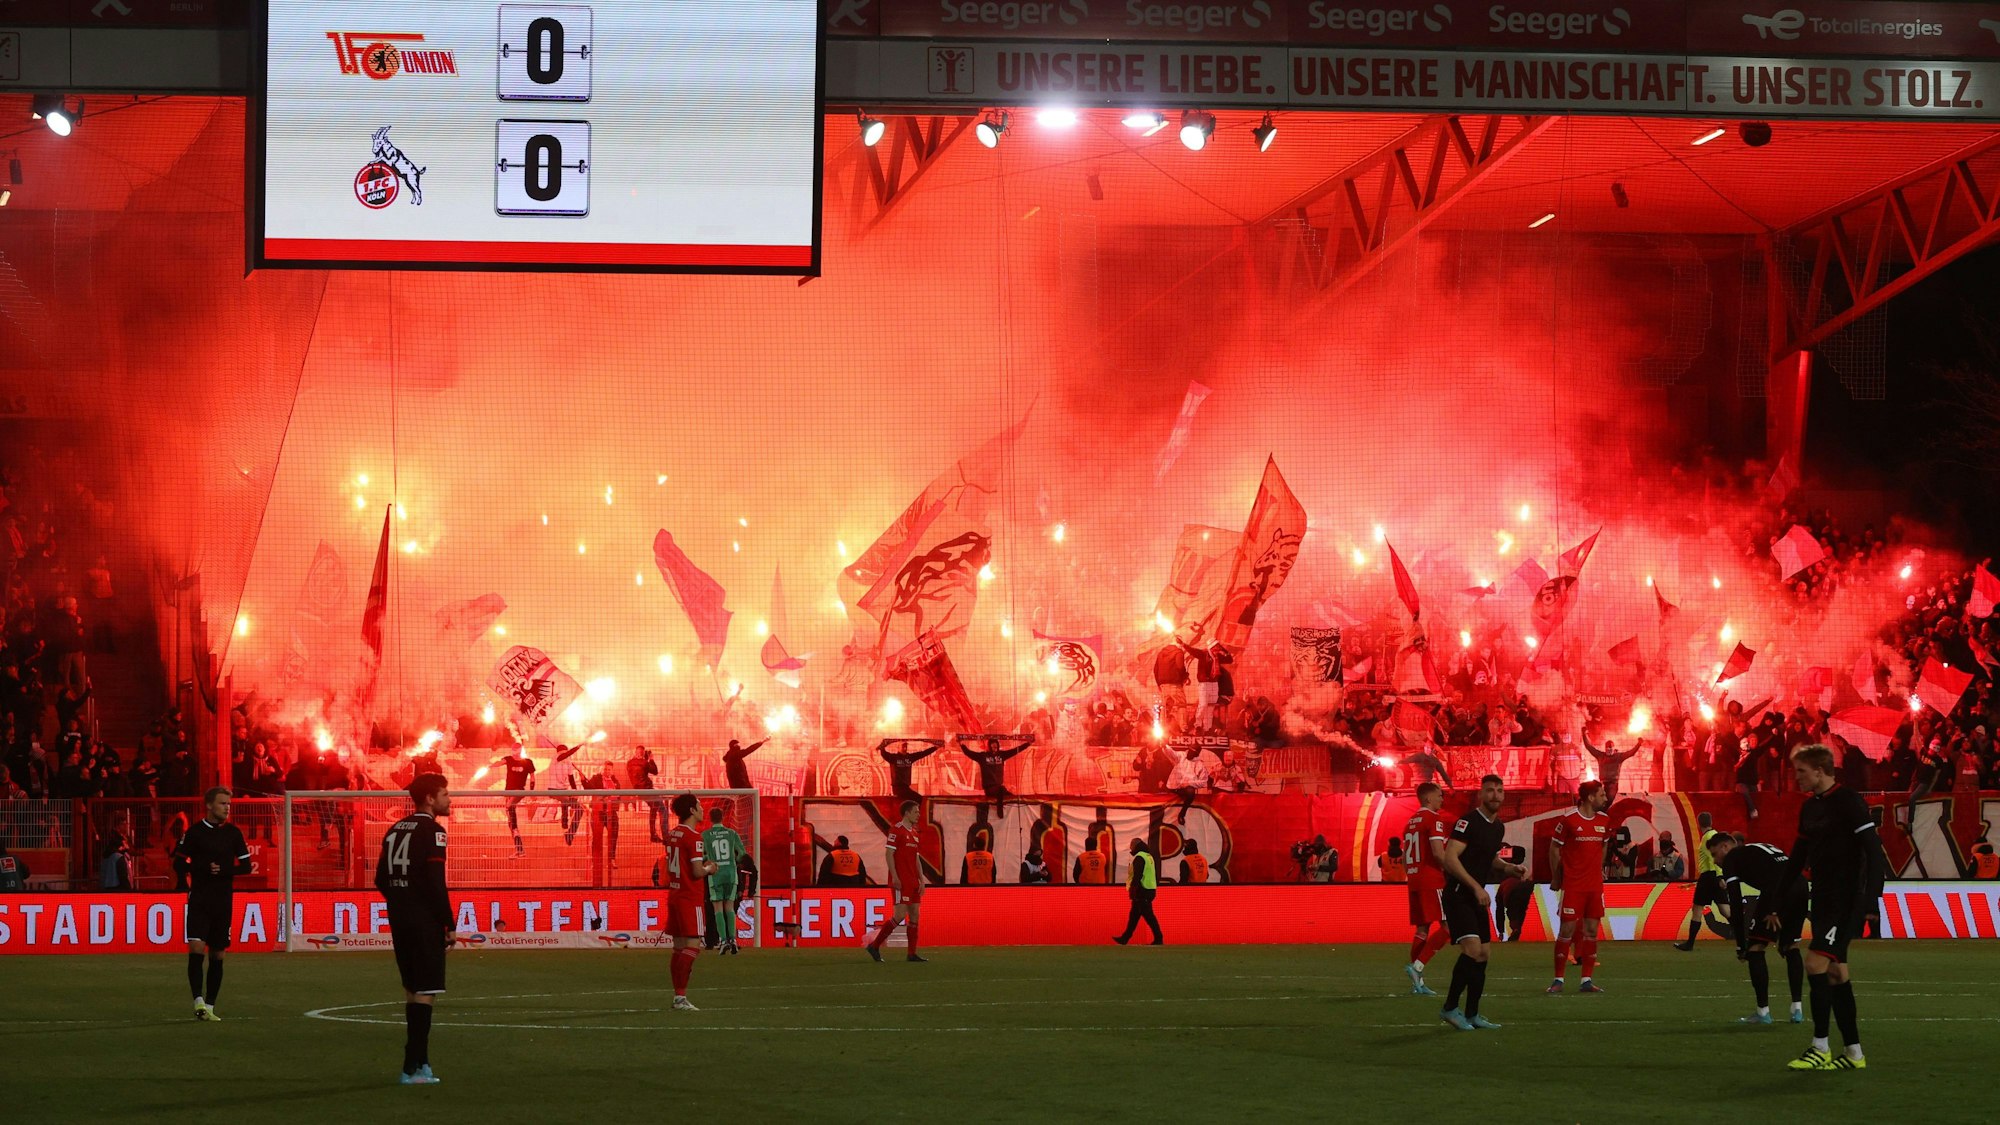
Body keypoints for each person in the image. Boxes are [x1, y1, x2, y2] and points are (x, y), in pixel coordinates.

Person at [1768, 744, 1889, 1071]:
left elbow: (1873, 852)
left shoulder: (1848, 801)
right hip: (1821, 898)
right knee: (1836, 972)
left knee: (1815, 962)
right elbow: (1797, 857)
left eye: (1801, 771)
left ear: (1820, 771)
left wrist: (1871, 899)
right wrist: (1777, 899)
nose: (1796, 778)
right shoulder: (1810, 808)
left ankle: (1820, 1047)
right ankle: (1854, 1054)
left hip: (1845, 900)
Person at [375, 774, 454, 1085]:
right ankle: (411, 1067)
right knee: (426, 991)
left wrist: (401, 900)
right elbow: (435, 882)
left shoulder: (395, 829)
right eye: (445, 794)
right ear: (430, 799)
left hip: (399, 917)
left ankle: (421, 1064)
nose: (449, 800)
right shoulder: (434, 831)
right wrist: (447, 922)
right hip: (424, 921)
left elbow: (381, 878)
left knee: (413, 989)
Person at [1438, 774, 1528, 1031]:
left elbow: (1490, 859)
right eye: (1490, 790)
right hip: (1459, 894)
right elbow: (1450, 858)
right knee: (1472, 949)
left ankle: (1472, 1014)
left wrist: (1509, 868)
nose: (1495, 795)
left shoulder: (1497, 827)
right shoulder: (1468, 822)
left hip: (1476, 896)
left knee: (1483, 954)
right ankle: (1449, 1008)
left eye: (1499, 790)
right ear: (1480, 794)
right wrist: (1476, 887)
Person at [1705, 833, 1806, 1026]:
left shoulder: (1732, 859)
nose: (1716, 861)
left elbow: (1735, 901)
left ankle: (1763, 1012)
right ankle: (1797, 1009)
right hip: (1801, 887)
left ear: (1726, 846)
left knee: (1755, 949)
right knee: (1791, 946)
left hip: (1777, 891)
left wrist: (1740, 945)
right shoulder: (1759, 847)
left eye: (1715, 854)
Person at [171, 787, 251, 1022]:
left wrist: (224, 870)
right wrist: (201, 868)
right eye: (222, 803)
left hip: (223, 902)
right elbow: (178, 864)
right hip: (200, 899)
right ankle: (198, 1000)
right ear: (209, 805)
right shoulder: (195, 832)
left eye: (228, 804)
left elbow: (246, 867)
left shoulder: (233, 834)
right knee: (196, 947)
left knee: (218, 954)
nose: (227, 808)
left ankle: (210, 1005)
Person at [1548, 781, 1612, 994]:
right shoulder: (1568, 820)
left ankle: (1586, 980)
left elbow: (1604, 844)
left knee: (1591, 931)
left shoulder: (1605, 820)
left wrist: (1598, 867)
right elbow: (1554, 848)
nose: (1605, 798)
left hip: (1594, 886)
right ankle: (1558, 979)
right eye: (1602, 795)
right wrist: (1556, 877)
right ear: (1590, 798)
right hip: (1573, 885)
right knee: (1566, 930)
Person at [663, 794, 718, 1008]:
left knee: (678, 947)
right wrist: (709, 868)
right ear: (692, 811)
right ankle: (681, 997)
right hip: (690, 897)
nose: (702, 810)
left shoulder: (672, 834)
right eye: (699, 806)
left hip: (675, 895)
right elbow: (696, 872)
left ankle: (679, 996)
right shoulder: (694, 837)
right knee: (693, 946)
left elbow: (672, 867)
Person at [1402, 782, 1452, 996]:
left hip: (1414, 880)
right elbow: (1438, 854)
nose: (1442, 799)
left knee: (1422, 930)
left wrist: (1413, 874)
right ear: (1428, 798)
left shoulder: (1410, 823)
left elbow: (1405, 858)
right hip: (1432, 880)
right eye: (1439, 796)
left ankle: (1418, 984)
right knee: (1450, 926)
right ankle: (1418, 967)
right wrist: (1453, 870)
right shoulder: (1434, 819)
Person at [866, 800, 927, 963]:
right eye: (916, 811)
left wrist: (921, 880)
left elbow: (916, 859)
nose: (918, 814)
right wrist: (894, 876)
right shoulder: (896, 830)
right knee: (899, 915)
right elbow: (889, 854)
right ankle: (874, 945)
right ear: (907, 813)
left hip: (913, 881)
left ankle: (911, 954)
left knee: (915, 915)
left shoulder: (915, 833)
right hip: (901, 880)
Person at [1675, 811, 1729, 951]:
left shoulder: (1707, 838)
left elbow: (1713, 858)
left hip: (1708, 876)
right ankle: (1745, 935)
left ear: (1699, 824)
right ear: (1711, 822)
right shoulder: (1715, 835)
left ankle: (1690, 944)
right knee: (1724, 910)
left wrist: (1719, 877)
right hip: (1715, 875)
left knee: (1697, 909)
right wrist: (1721, 876)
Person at [700, 807, 746, 955]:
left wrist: (707, 859)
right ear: (723, 818)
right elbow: (742, 853)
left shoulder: (705, 835)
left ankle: (723, 941)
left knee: (718, 909)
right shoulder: (732, 833)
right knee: (730, 908)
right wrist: (734, 861)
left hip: (716, 874)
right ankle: (733, 940)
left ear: (710, 818)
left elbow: (700, 856)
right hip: (731, 874)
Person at [1112, 837, 1163, 945]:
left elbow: (1137, 875)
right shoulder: (1148, 856)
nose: (1130, 848)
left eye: (1131, 845)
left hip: (1142, 890)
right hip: (1149, 888)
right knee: (1134, 915)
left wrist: (1133, 888)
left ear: (1135, 846)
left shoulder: (1139, 857)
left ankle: (1159, 938)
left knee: (1148, 916)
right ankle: (1125, 937)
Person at [961, 734, 1033, 808]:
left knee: (1011, 797)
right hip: (989, 789)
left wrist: (1028, 744)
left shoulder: (1001, 755)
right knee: (1001, 791)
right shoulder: (983, 756)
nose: (995, 748)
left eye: (996, 746)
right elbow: (969, 753)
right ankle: (1000, 811)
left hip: (999, 787)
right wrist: (961, 744)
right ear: (989, 747)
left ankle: (1005, 809)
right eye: (993, 746)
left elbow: (1014, 751)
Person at [492, 746, 536, 857]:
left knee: (509, 806)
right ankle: (519, 848)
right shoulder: (509, 759)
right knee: (511, 821)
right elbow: (500, 762)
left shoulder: (528, 762)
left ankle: (517, 841)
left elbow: (532, 777)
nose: (514, 753)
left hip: (518, 791)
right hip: (509, 792)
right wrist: (491, 766)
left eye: (516, 750)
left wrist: (532, 792)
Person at [877, 738, 944, 802]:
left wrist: (935, 747)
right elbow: (884, 753)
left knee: (918, 800)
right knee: (919, 799)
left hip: (906, 787)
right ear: (898, 747)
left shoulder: (910, 757)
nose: (905, 748)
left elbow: (923, 753)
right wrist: (883, 746)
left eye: (906, 746)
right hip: (897, 788)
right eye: (903, 746)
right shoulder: (893, 757)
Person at [626, 746, 664, 843]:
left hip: (638, 790)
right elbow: (655, 771)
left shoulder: (629, 763)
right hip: (647, 789)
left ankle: (653, 834)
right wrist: (651, 759)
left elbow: (641, 771)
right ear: (642, 753)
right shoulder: (644, 763)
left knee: (655, 807)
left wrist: (645, 760)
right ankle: (659, 834)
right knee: (661, 808)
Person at [1165, 745, 1210, 826]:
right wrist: (1165, 746)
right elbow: (1172, 753)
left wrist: (1189, 783)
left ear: (1196, 754)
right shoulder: (1182, 755)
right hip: (1172, 785)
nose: (1189, 752)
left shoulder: (1200, 765)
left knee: (1191, 793)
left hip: (1185, 789)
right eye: (1189, 750)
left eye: (1192, 751)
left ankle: (1182, 814)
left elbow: (1203, 782)